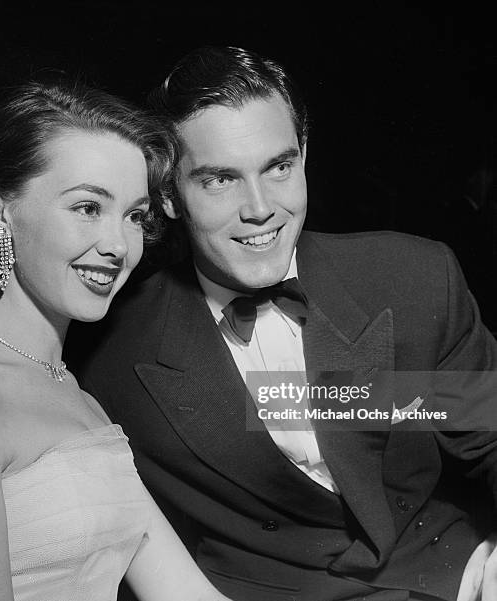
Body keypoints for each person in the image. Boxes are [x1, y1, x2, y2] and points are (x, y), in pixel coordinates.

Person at [72, 47, 497, 601]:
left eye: (278, 167)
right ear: (170, 195)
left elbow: (489, 435)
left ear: (303, 157)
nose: (260, 208)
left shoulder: (414, 278)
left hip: (456, 572)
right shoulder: (111, 350)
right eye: (219, 180)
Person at [0, 77, 233, 601]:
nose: (119, 245)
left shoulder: (78, 393)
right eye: (88, 207)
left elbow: (186, 593)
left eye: (134, 216)